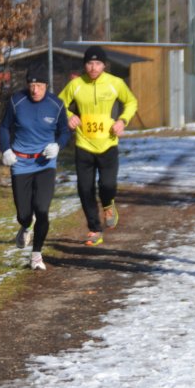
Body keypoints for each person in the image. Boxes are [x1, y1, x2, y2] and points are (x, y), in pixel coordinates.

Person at [58, 46, 138, 246]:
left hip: (108, 144)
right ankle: (94, 229)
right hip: (83, 144)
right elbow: (58, 104)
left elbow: (131, 102)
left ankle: (108, 205)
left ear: (104, 65)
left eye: (98, 63)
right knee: (84, 189)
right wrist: (69, 116)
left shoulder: (115, 83)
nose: (93, 67)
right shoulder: (76, 85)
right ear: (85, 65)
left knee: (107, 185)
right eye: (90, 63)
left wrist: (122, 121)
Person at [0, 65, 71, 270]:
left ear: (46, 85)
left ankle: (36, 255)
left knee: (42, 209)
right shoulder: (17, 101)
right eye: (31, 85)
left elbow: (65, 131)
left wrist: (58, 145)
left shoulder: (56, 105)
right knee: (23, 213)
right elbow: (4, 127)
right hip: (20, 163)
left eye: (39, 85)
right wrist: (6, 149)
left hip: (45, 163)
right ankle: (25, 225)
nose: (35, 90)